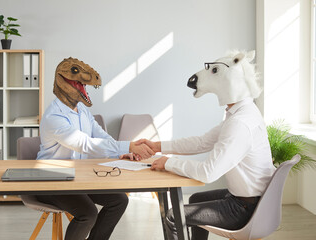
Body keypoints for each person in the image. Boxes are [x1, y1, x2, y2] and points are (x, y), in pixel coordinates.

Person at [137, 50, 276, 240]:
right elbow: (202, 142)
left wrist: (168, 163)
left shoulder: (240, 124)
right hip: (248, 200)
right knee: (195, 199)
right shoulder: (243, 113)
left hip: (245, 208)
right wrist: (157, 146)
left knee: (172, 216)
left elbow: (208, 173)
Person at [36, 57, 154, 240]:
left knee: (119, 200)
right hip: (52, 179)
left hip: (80, 177)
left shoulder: (81, 110)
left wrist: (122, 151)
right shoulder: (54, 116)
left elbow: (100, 136)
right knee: (88, 214)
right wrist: (128, 145)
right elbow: (85, 144)